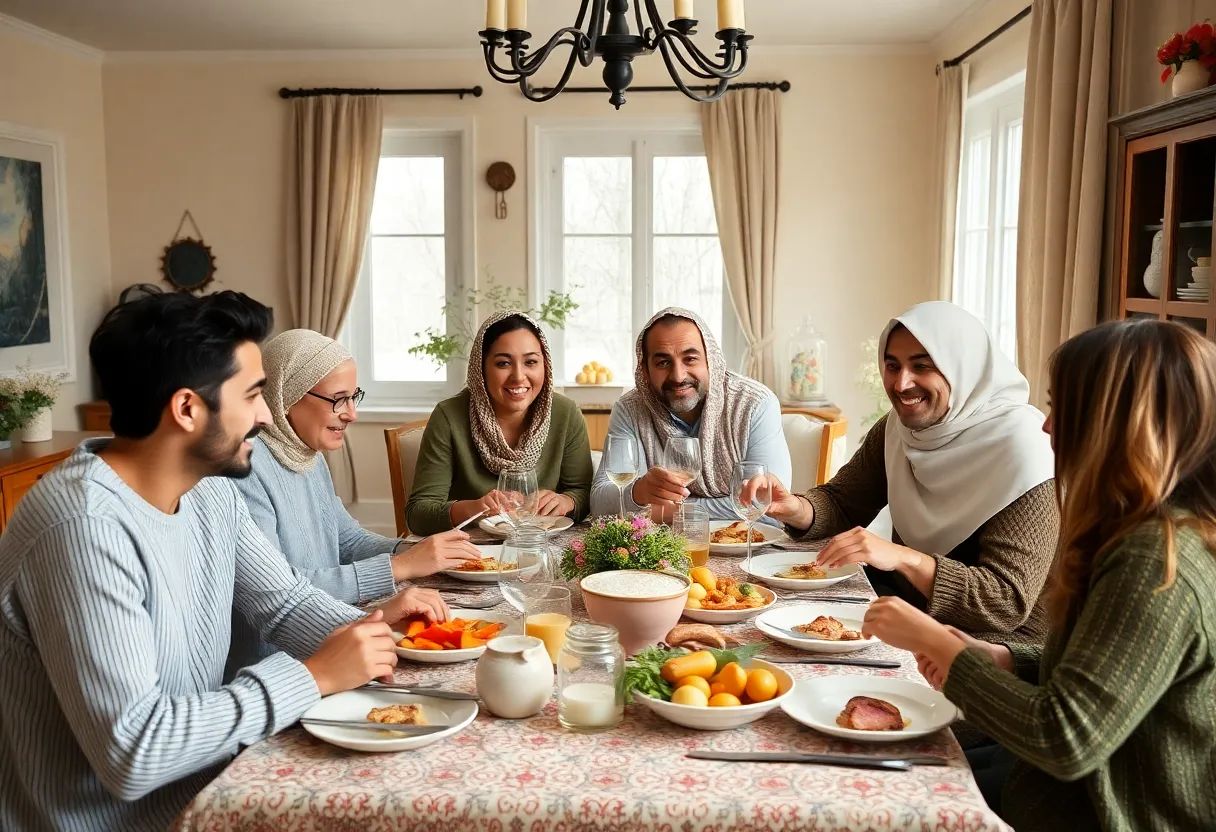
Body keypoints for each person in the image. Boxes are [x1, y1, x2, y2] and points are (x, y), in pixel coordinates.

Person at [0, 292, 448, 831]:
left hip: (209, 786)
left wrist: (373, 630)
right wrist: (312, 676)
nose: (265, 414)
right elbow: (136, 751)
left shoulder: (209, 489)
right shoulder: (83, 528)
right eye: (254, 393)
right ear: (187, 408)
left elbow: (284, 604)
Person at [863, 319, 1216, 830]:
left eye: (1061, 406)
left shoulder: (1155, 561)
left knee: (871, 799)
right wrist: (1008, 659)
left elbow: (1065, 739)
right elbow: (1106, 670)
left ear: (1116, 421)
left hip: (1094, 806)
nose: (1047, 426)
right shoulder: (1156, 526)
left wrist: (943, 647)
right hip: (1053, 783)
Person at [756, 302, 1057, 643]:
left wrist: (902, 558)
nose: (901, 384)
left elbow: (1005, 602)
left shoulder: (1026, 447)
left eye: (922, 367)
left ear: (962, 368)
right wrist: (795, 507)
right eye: (892, 366)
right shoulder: (897, 430)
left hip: (995, 649)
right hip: (907, 612)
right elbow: (843, 502)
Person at [227, 329, 481, 676]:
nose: (351, 414)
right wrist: (400, 567)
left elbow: (346, 540)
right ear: (286, 396)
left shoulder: (305, 454)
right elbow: (282, 590)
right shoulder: (246, 468)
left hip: (332, 639)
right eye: (338, 399)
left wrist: (411, 550)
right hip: (280, 663)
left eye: (353, 397)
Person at [590, 307, 791, 522]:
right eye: (663, 362)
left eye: (690, 359)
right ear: (645, 370)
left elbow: (768, 508)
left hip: (748, 550)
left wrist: (663, 512)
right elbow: (600, 506)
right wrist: (638, 492)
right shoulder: (630, 409)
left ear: (710, 360)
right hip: (658, 552)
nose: (678, 376)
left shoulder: (754, 404)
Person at [407, 311, 593, 535]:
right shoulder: (449, 416)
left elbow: (584, 493)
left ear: (545, 366)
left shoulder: (566, 413)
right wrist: (475, 508)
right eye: (503, 363)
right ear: (481, 368)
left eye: (531, 362)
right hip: (471, 551)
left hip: (544, 546)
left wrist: (567, 501)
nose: (518, 376)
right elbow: (418, 514)